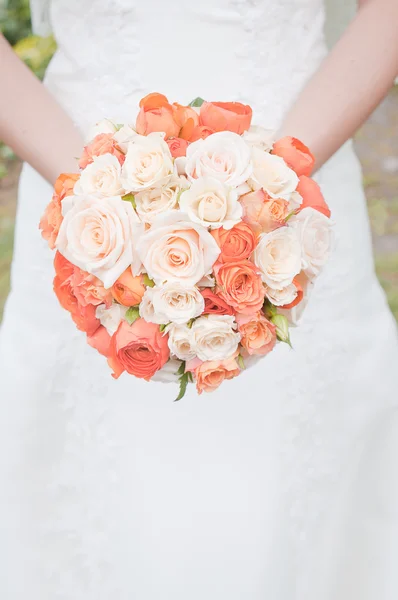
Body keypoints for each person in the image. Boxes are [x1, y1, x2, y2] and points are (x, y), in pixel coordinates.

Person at [1, 1, 398, 598]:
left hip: (297, 171)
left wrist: (274, 183)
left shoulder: (281, 189)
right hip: (78, 173)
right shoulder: (90, 197)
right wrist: (102, 202)